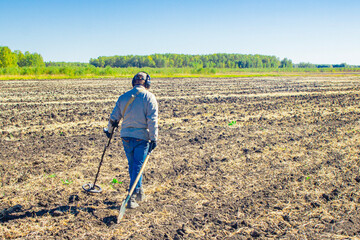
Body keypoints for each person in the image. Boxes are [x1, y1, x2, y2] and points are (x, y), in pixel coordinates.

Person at [104, 72, 158, 209]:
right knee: (137, 166)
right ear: (147, 83)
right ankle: (131, 197)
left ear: (133, 82)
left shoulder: (123, 97)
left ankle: (139, 192)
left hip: (126, 136)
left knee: (133, 165)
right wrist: (154, 138)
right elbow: (152, 120)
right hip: (142, 137)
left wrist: (109, 131)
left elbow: (114, 117)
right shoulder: (149, 97)